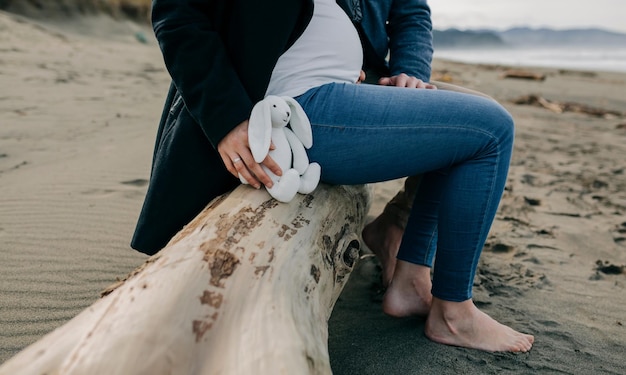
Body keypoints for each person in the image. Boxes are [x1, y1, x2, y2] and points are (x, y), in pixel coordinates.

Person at [132, 0, 534, 352]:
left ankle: (411, 277)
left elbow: (406, 8)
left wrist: (401, 69)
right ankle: (453, 315)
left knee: (473, 112)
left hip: (349, 81)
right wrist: (227, 119)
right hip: (293, 103)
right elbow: (177, 12)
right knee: (490, 131)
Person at [342, 0, 496, 288]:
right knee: (482, 129)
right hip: (311, 80)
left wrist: (410, 73)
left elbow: (412, 13)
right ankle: (446, 303)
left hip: (378, 77)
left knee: (480, 115)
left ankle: (398, 228)